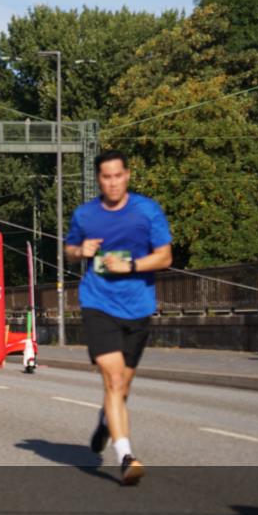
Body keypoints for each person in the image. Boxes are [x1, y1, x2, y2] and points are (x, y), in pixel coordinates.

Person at [64, 149, 172, 486]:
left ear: (127, 175)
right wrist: (80, 251)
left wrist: (132, 266)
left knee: (122, 387)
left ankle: (105, 423)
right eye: (105, 177)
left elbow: (165, 257)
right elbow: (69, 250)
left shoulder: (146, 211)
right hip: (98, 303)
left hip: (138, 307)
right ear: (99, 179)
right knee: (112, 380)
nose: (112, 182)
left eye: (117, 175)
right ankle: (126, 455)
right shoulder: (85, 215)